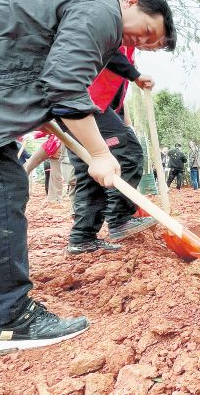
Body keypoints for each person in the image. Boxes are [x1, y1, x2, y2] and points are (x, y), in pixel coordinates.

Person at [0, 0, 175, 356]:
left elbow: (39, 69)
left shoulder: (78, 10)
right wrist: (98, 153)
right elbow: (64, 85)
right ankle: (9, 322)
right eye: (147, 31)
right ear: (131, 3)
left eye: (149, 44)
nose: (142, 41)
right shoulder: (101, 10)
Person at [66, 47, 157, 254]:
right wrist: (136, 75)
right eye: (153, 34)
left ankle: (82, 237)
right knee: (128, 153)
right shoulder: (112, 24)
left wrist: (123, 119)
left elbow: (115, 86)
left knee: (90, 171)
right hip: (86, 103)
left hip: (85, 106)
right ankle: (120, 219)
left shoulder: (129, 41)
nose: (151, 43)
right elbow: (105, 50)